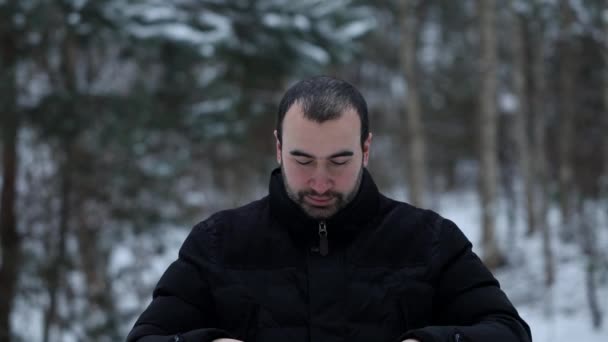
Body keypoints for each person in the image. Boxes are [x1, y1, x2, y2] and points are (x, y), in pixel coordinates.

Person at [127, 76, 532, 342]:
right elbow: (146, 338)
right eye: (303, 161)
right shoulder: (217, 242)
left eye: (339, 161)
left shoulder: (429, 240)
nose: (320, 182)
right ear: (279, 148)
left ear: (366, 149)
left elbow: (508, 332)